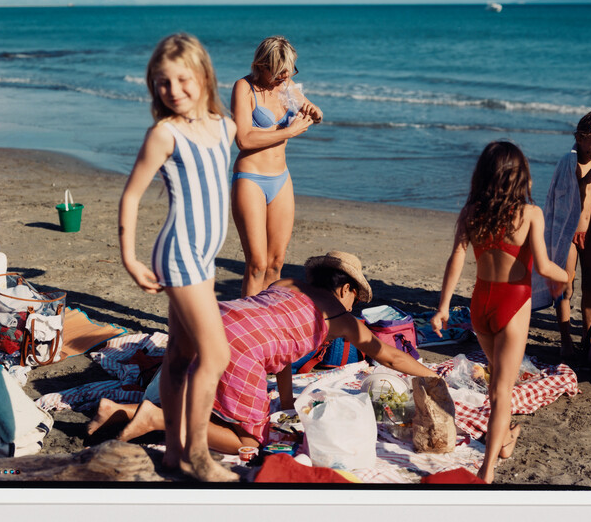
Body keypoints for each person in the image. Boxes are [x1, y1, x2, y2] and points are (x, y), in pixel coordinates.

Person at [88, 251, 438, 454]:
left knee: (211, 400)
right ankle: (157, 419)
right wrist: (432, 376)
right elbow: (389, 356)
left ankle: (119, 410)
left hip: (207, 318)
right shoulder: (339, 317)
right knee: (250, 441)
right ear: (345, 288)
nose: (353, 306)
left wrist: (286, 403)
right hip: (239, 346)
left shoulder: (286, 284)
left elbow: (280, 352)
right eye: (354, 298)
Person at [118, 33, 238, 482]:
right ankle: (199, 456)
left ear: (203, 76)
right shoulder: (164, 134)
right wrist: (131, 259)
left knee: (180, 356)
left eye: (182, 79)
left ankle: (172, 453)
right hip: (180, 253)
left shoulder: (223, 128)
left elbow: (255, 134)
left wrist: (294, 117)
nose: (174, 90)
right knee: (216, 355)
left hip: (204, 257)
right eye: (162, 83)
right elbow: (131, 196)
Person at [430, 141, 568, 484]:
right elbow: (546, 267)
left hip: (481, 305)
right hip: (512, 305)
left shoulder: (472, 211)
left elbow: (457, 258)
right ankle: (487, 470)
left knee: (497, 382)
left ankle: (505, 438)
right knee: (500, 391)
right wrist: (568, 276)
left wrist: (443, 307)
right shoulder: (529, 214)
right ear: (520, 177)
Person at [230, 36, 323, 298]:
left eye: (290, 70)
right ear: (262, 65)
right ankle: (247, 326)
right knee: (257, 265)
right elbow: (243, 139)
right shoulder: (244, 88)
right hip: (250, 179)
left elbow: (316, 115)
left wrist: (315, 112)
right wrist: (289, 133)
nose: (286, 75)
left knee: (276, 263)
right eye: (280, 70)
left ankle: (269, 325)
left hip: (281, 178)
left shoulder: (287, 85)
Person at [531, 112, 591, 359]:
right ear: (579, 138)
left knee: (590, 286)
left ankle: (588, 336)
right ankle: (565, 339)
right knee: (565, 285)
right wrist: (586, 179)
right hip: (570, 232)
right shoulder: (569, 161)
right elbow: (565, 192)